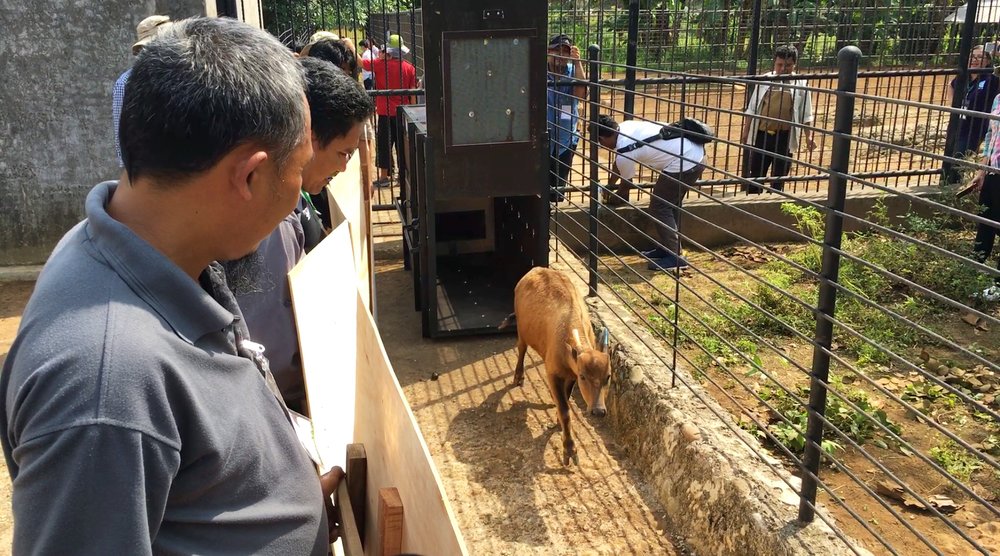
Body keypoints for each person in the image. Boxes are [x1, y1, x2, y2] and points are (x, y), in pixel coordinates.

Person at [1, 18, 338, 553]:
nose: (300, 192)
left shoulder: (144, 247)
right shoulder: (105, 387)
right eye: (297, 170)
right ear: (249, 176)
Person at [223, 57, 374, 410]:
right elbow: (269, 344)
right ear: (307, 136)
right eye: (343, 153)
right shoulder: (269, 222)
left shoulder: (293, 203)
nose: (345, 166)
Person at [598, 114, 710, 271]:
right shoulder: (626, 127)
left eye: (599, 143)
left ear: (603, 139)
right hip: (695, 155)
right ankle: (668, 247)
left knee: (659, 207)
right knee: (669, 205)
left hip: (686, 162)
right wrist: (609, 185)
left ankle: (675, 257)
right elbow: (619, 163)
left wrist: (613, 198)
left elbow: (626, 186)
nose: (601, 146)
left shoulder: (625, 150)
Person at [741, 45, 816, 194]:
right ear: (774, 63)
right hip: (762, 135)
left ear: (794, 65)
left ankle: (774, 201)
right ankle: (754, 199)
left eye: (787, 65)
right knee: (756, 173)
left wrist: (809, 137)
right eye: (779, 65)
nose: (783, 69)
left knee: (780, 175)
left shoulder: (801, 83)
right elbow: (752, 108)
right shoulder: (765, 81)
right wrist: (746, 131)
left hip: (785, 137)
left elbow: (806, 113)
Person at [112, 14, 170, 167]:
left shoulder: (186, 75)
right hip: (149, 164)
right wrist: (126, 167)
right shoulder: (126, 82)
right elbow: (121, 131)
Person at [361, 33, 418, 188]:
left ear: (389, 52)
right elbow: (413, 93)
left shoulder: (380, 65)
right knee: (402, 145)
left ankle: (385, 177)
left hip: (385, 112)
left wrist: (349, 45)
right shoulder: (410, 68)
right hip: (403, 112)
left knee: (385, 144)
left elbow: (362, 63)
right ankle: (403, 176)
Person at [966, 92, 1000, 302]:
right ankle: (971, 273)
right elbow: (990, 135)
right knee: (985, 222)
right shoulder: (998, 98)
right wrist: (982, 170)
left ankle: (999, 286)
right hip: (993, 172)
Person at [547, 34, 587, 203]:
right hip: (543, 137)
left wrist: (578, 62)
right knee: (540, 185)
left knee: (558, 188)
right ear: (548, 52)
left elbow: (582, 94)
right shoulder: (537, 71)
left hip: (565, 138)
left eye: (565, 52)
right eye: (556, 51)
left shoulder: (573, 72)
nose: (560, 56)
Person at [951, 46, 1000, 162]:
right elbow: (951, 85)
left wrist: (996, 52)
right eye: (972, 56)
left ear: (988, 61)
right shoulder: (963, 76)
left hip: (976, 125)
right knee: (950, 156)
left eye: (979, 57)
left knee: (958, 158)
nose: (974, 60)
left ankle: (953, 179)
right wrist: (953, 106)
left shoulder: (991, 78)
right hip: (959, 123)